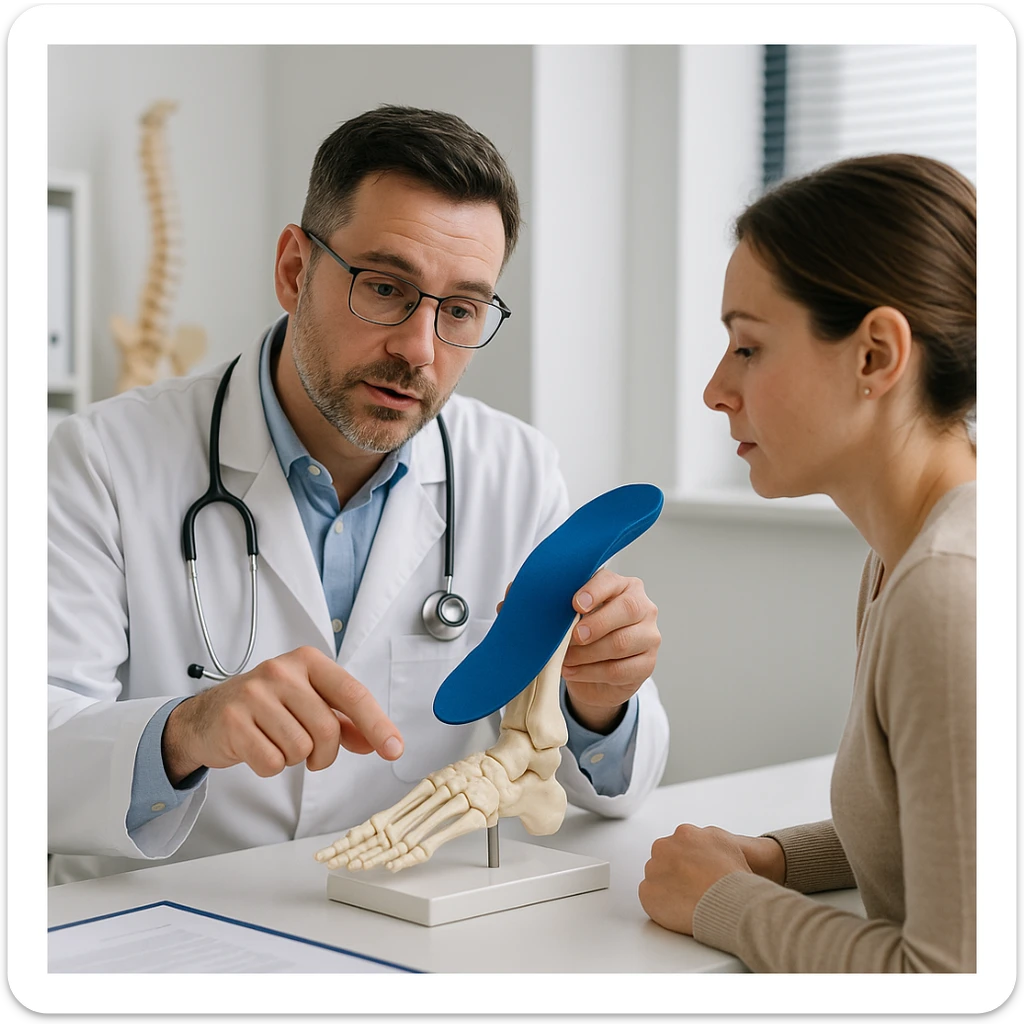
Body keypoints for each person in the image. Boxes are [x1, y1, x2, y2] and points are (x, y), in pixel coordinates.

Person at [47, 105, 670, 885]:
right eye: (384, 287)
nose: (419, 349)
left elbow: (609, 791)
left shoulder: (515, 470)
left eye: (461, 310)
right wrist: (185, 731)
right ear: (294, 271)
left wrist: (600, 700)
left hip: (403, 920)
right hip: (161, 922)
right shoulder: (101, 459)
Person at [638, 153, 976, 972]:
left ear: (875, 357)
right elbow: (940, 831)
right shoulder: (900, 558)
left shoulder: (949, 590)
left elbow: (948, 977)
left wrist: (723, 902)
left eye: (748, 348)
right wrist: (775, 859)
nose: (716, 390)